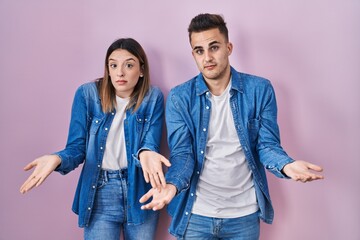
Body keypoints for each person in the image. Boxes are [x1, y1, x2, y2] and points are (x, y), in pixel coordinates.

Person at [139, 13, 324, 239]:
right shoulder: (180, 97)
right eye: (199, 51)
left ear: (229, 47)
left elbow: (266, 145)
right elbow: (183, 154)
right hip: (196, 215)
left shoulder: (260, 90)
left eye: (214, 47)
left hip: (243, 216)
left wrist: (286, 166)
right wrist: (172, 186)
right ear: (193, 55)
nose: (207, 57)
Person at [20, 38, 170, 240]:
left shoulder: (153, 97)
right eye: (113, 65)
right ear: (107, 69)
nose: (120, 72)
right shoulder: (87, 95)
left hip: (140, 190)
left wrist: (147, 153)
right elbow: (76, 147)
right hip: (100, 191)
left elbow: (149, 144)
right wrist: (57, 159)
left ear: (141, 70)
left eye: (129, 65)